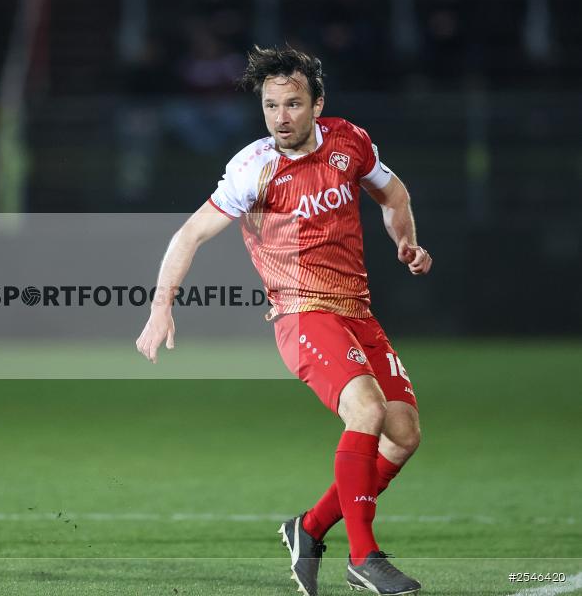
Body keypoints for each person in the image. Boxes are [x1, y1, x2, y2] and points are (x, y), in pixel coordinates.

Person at [135, 45, 431, 596]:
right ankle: (364, 557)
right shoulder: (254, 168)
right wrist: (160, 309)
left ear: (318, 104)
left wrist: (406, 242)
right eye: (271, 106)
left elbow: (393, 193)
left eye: (293, 104)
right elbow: (189, 235)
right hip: (299, 312)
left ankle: (310, 528)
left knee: (404, 435)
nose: (281, 118)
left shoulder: (350, 141)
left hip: (356, 310)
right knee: (365, 410)